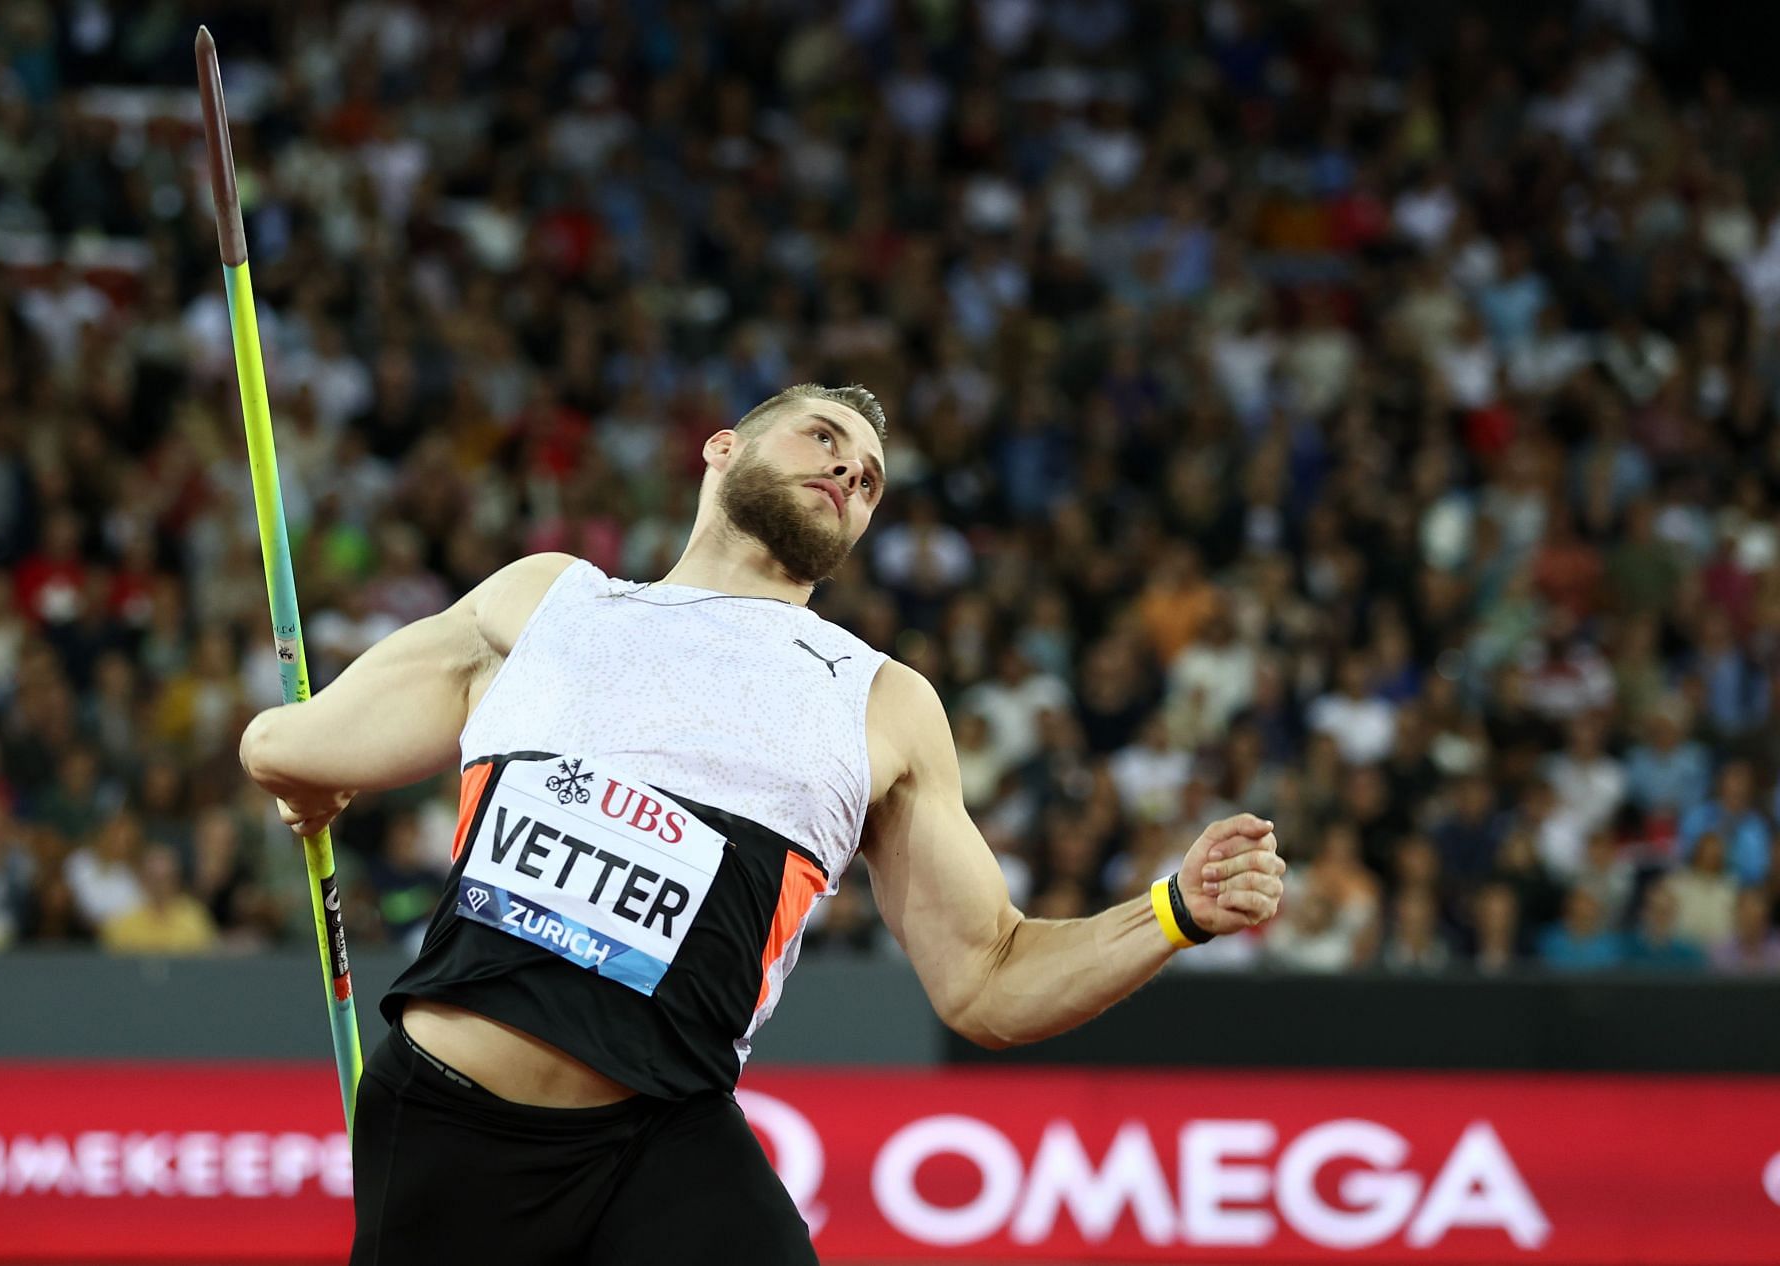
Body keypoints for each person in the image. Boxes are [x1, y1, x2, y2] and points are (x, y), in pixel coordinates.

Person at [240, 384, 1286, 1265]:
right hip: (452, 1128)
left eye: (870, 477)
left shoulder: (879, 702)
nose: (849, 473)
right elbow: (290, 743)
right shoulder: (552, 602)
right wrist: (307, 777)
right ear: (724, 449)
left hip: (661, 1136)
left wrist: (1174, 911)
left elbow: (992, 981)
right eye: (824, 439)